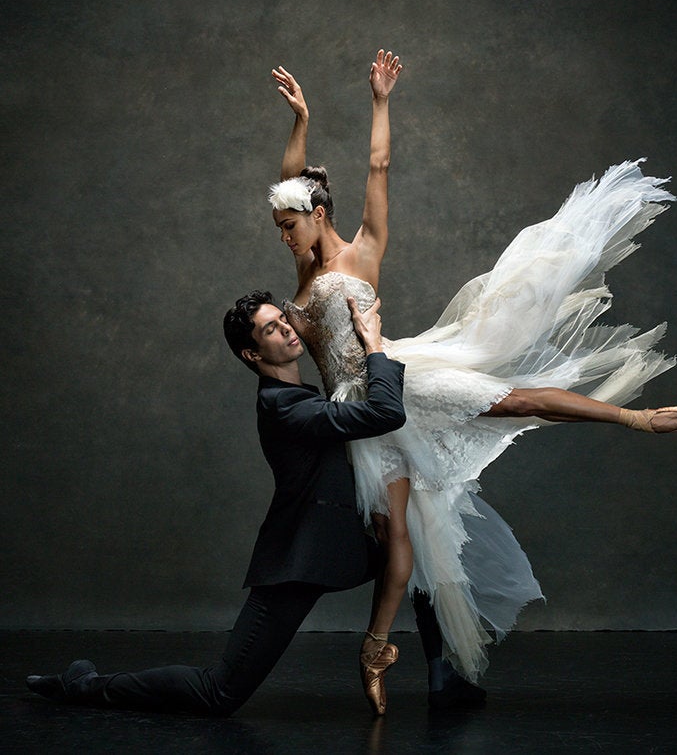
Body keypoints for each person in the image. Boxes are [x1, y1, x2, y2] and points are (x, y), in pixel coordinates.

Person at [266, 49, 677, 684]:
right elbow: (288, 181)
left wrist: (382, 101)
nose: (284, 238)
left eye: (290, 226)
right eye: (280, 229)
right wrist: (300, 121)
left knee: (516, 400)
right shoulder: (305, 271)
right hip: (358, 417)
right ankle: (375, 652)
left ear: (318, 215)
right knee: (402, 542)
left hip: (401, 377)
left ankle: (638, 418)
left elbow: (378, 166)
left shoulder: (362, 253)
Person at [26, 292, 482, 717]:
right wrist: (374, 346)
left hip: (340, 543)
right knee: (220, 692)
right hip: (300, 558)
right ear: (253, 354)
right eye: (270, 330)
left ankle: (441, 677)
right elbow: (386, 413)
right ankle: (85, 685)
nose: (286, 330)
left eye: (284, 321)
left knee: (419, 553)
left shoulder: (303, 396)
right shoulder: (283, 406)